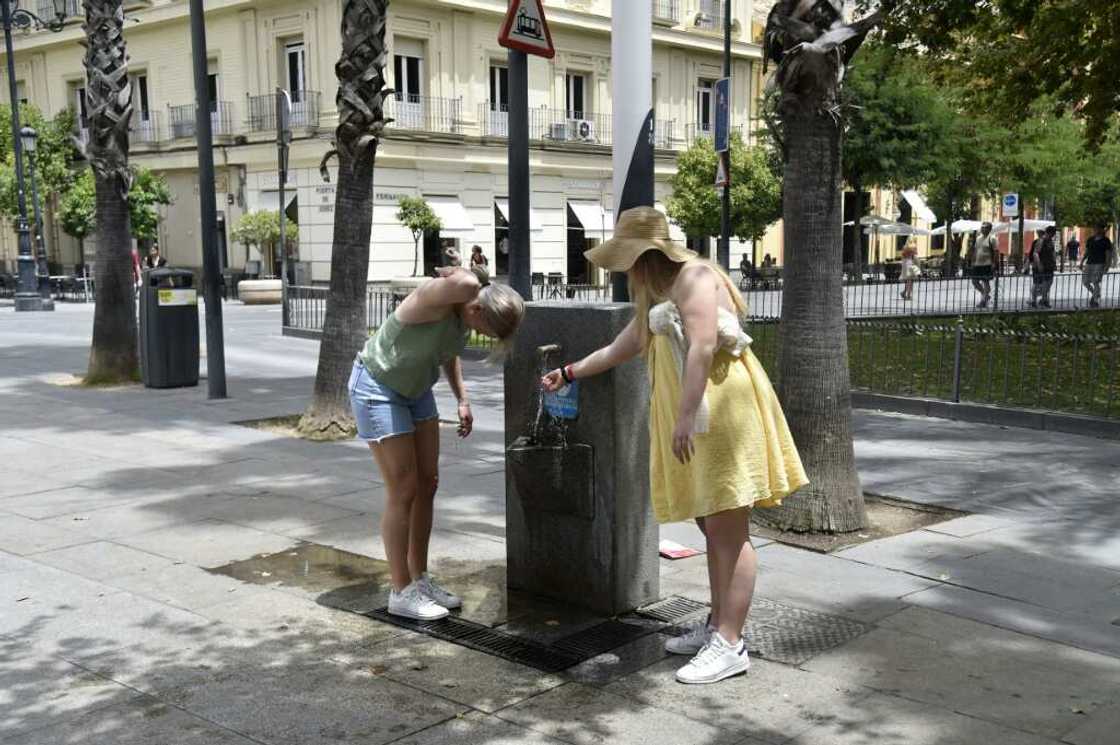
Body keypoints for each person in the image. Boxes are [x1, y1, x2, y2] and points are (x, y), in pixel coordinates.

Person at [541, 207, 808, 685]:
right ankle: (716, 626)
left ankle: (731, 643)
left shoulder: (695, 278)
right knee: (713, 524)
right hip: (700, 416)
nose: (622, 270)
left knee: (729, 529)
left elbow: (703, 346)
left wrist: (685, 416)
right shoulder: (660, 294)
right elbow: (621, 348)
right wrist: (569, 372)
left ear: (644, 256)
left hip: (721, 415)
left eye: (625, 260)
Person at [349, 265, 524, 620]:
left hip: (416, 391)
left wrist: (462, 398)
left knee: (428, 483)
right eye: (488, 332)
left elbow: (448, 351)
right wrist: (468, 273)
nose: (485, 338)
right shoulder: (438, 298)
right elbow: (463, 281)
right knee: (404, 488)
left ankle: (419, 578)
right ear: (476, 308)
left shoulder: (463, 316)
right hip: (378, 388)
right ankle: (400, 591)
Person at [1080, 224, 1114, 308]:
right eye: (1094, 228)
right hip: (1089, 263)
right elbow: (1087, 251)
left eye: (1097, 228)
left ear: (1101, 230)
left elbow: (1108, 254)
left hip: (1100, 263)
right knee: (1085, 281)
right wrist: (1082, 261)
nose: (1095, 230)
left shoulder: (1106, 240)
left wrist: (1107, 266)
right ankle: (1096, 294)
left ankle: (1095, 300)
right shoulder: (1090, 239)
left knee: (1096, 281)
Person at [966, 222, 997, 308]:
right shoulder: (978, 238)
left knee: (986, 281)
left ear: (989, 229)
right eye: (982, 227)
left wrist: (994, 263)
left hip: (987, 264)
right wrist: (972, 261)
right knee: (974, 281)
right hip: (977, 264)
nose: (983, 229)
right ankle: (985, 295)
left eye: (985, 228)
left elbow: (995, 252)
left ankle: (983, 301)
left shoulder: (992, 238)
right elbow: (976, 251)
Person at [1029, 226, 1057, 308]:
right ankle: (1034, 301)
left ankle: (1044, 300)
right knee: (1037, 283)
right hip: (1041, 266)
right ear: (1049, 233)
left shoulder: (1050, 241)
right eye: (1053, 234)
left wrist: (1054, 263)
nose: (1053, 235)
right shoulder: (1041, 241)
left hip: (1049, 266)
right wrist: (1039, 264)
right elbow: (1035, 253)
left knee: (1048, 283)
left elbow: (1052, 253)